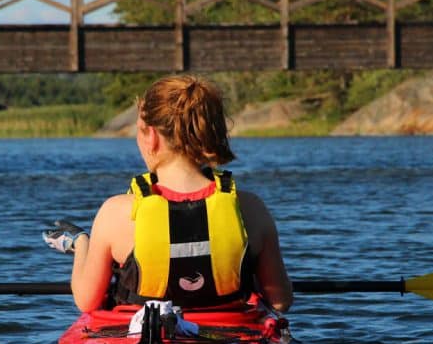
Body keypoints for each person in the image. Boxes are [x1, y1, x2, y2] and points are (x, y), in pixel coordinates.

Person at [44, 75, 292, 314]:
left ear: (151, 136)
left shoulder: (116, 212)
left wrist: (81, 243)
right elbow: (280, 301)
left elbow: (86, 301)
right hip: (232, 337)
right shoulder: (251, 208)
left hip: (146, 337)